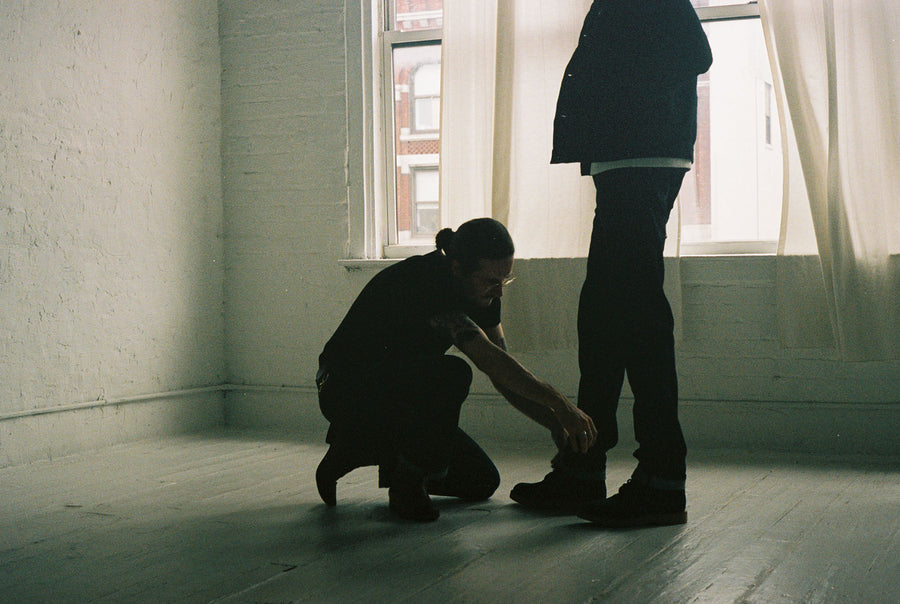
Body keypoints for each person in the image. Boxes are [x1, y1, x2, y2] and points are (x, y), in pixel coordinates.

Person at [509, 0, 712, 528]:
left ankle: (662, 480)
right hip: (629, 158)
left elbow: (695, 52)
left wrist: (614, 96)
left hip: (642, 158)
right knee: (604, 315)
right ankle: (584, 463)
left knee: (637, 319)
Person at [315, 218, 598, 522]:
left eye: (505, 280)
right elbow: (487, 358)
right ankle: (403, 484)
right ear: (458, 268)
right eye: (491, 281)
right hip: (342, 389)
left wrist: (554, 421)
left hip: (399, 396)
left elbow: (502, 373)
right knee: (451, 374)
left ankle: (359, 448)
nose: (499, 292)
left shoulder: (483, 292)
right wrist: (559, 403)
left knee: (481, 481)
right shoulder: (425, 279)